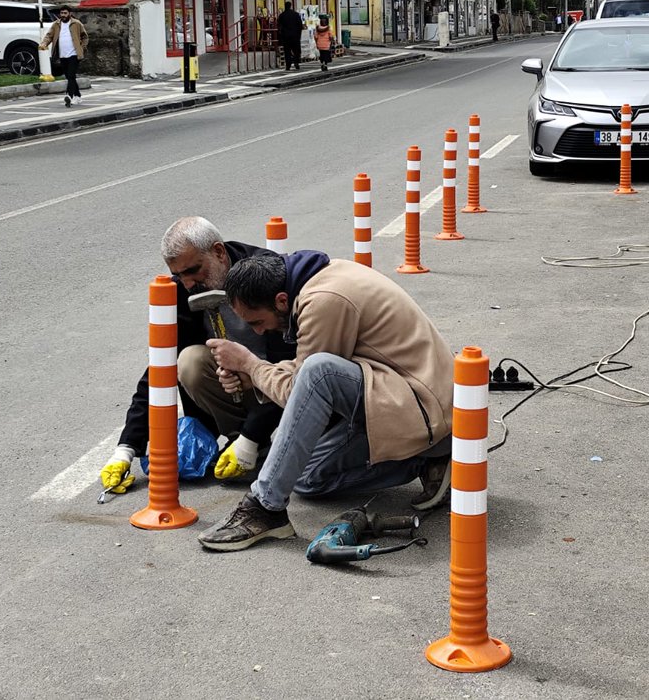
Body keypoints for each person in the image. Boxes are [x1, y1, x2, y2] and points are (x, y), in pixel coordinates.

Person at [197, 252, 454, 551]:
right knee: (306, 479)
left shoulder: (324, 300)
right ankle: (426, 458)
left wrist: (253, 367)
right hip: (398, 392)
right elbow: (305, 369)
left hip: (423, 404)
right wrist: (254, 375)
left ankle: (264, 508)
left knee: (319, 371)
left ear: (281, 300)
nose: (258, 331)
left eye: (257, 322)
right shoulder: (316, 280)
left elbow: (307, 385)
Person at [98, 217, 295, 495]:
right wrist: (126, 447)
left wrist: (253, 435)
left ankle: (252, 440)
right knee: (189, 361)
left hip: (282, 384)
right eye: (181, 275)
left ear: (218, 251)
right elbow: (161, 365)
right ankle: (248, 445)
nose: (189, 283)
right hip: (237, 384)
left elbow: (292, 366)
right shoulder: (185, 288)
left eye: (194, 270)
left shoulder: (265, 274)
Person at [39, 5, 88, 107]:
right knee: (70, 77)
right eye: (61, 13)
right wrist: (44, 44)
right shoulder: (56, 25)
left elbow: (84, 37)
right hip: (62, 55)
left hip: (74, 54)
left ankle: (69, 96)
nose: (63, 15)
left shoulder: (76, 23)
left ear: (69, 14)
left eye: (65, 13)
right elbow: (49, 36)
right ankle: (77, 96)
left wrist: (82, 48)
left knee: (71, 75)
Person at [276, 1, 304, 71]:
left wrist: (281, 35)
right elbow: (300, 26)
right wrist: (298, 34)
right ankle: (296, 62)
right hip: (295, 36)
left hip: (286, 36)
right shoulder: (296, 14)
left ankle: (288, 65)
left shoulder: (282, 15)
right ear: (290, 6)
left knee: (287, 51)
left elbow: (279, 26)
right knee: (296, 50)